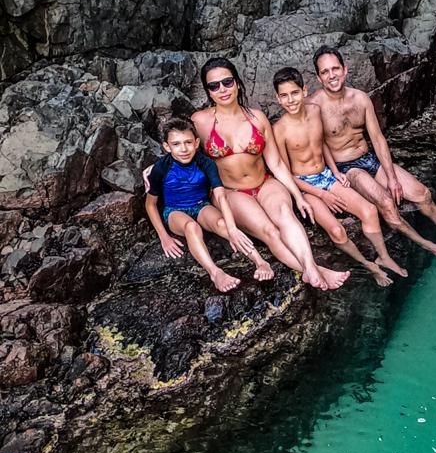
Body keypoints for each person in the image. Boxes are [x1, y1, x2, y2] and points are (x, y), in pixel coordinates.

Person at [190, 58, 349, 291]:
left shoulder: (257, 117)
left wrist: (298, 196)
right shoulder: (200, 121)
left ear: (237, 83)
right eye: (214, 86)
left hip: (264, 183)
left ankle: (310, 268)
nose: (222, 89)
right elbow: (181, 147)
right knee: (270, 231)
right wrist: (155, 167)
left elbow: (275, 162)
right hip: (232, 191)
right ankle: (314, 269)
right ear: (208, 91)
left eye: (227, 82)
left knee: (286, 214)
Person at [311, 47, 436, 257]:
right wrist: (332, 175)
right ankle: (427, 245)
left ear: (345, 70)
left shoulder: (361, 98)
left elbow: (377, 138)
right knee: (386, 204)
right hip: (348, 168)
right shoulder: (313, 106)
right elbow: (316, 145)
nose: (332, 75)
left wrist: (391, 177)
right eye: (325, 72)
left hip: (369, 159)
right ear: (319, 78)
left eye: (335, 69)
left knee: (422, 194)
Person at [272, 67, 408, 288]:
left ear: (304, 90)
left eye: (294, 93)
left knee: (370, 210)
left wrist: (335, 172)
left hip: (326, 175)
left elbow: (322, 144)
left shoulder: (315, 111)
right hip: (306, 185)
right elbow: (285, 174)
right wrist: (321, 194)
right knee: (336, 230)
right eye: (284, 96)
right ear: (278, 99)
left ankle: (383, 256)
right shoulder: (279, 130)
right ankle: (368, 265)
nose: (291, 100)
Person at [145, 117, 273, 292]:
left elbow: (221, 196)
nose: (183, 149)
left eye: (188, 142)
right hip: (174, 211)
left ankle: (260, 261)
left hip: (201, 205)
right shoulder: (161, 168)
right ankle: (215, 273)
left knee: (222, 224)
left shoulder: (206, 163)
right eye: (176, 144)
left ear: (197, 142)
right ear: (166, 147)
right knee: (191, 227)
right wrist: (164, 237)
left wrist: (232, 228)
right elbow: (151, 204)